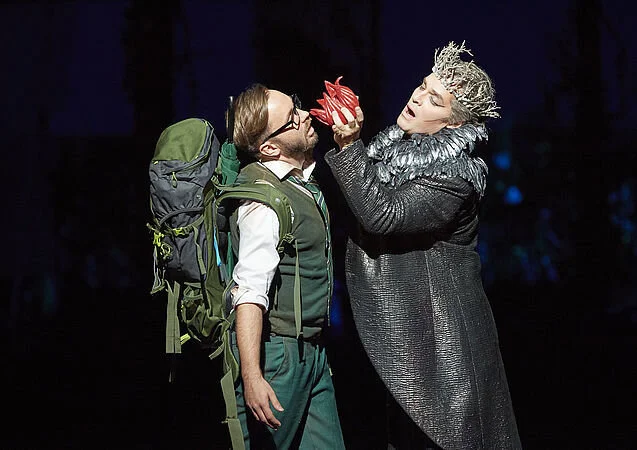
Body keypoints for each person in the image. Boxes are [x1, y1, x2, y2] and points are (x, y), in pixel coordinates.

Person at [324, 41, 522, 449]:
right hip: (413, 339)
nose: (417, 97)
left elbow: (384, 213)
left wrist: (349, 147)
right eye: (422, 86)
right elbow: (366, 192)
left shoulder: (456, 176)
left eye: (435, 99)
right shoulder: (394, 154)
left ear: (452, 124)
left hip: (444, 347)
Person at [227, 83, 345, 449]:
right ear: (269, 148)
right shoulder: (263, 202)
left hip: (313, 354)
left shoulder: (300, 183)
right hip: (278, 357)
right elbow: (249, 292)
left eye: (296, 106)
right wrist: (252, 376)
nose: (305, 114)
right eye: (292, 118)